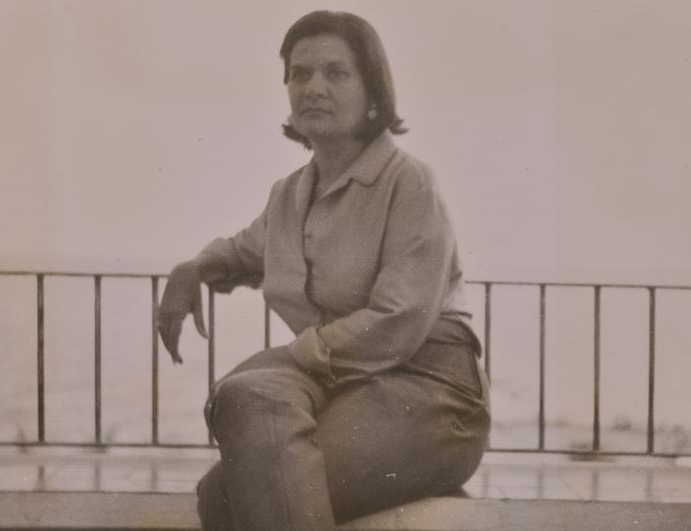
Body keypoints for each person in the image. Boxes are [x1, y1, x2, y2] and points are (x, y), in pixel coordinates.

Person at [157, 10, 490, 530]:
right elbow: (242, 252)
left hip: (431, 395)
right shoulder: (289, 195)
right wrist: (193, 269)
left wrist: (292, 355)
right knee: (244, 398)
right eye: (300, 73)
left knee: (225, 496)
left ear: (374, 92)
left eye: (336, 73)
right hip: (342, 388)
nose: (313, 87)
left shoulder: (409, 183)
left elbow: (399, 320)